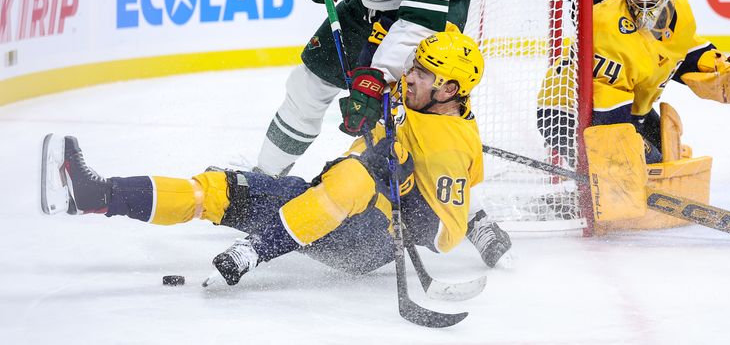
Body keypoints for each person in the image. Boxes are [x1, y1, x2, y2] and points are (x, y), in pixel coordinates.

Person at [41, 32, 492, 285]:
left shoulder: (450, 147)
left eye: (422, 73)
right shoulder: (414, 98)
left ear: (449, 90)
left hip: (369, 240)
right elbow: (372, 106)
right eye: (413, 66)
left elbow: (445, 234)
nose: (409, 77)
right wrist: (366, 107)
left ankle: (254, 252)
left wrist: (406, 189)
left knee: (355, 176)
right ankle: (95, 195)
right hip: (325, 207)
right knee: (220, 189)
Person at [256, 0, 509, 267]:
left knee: (418, 114)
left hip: (430, 8)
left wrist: (378, 75)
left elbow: (420, 19)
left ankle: (472, 211)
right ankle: (259, 187)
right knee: (307, 86)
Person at [537, 0, 730, 164]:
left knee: (666, 154)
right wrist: (637, 150)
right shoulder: (607, 26)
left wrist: (714, 65)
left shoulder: (679, 7)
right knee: (626, 163)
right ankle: (589, 193)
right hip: (563, 113)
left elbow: (678, 50)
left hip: (621, 103)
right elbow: (607, 114)